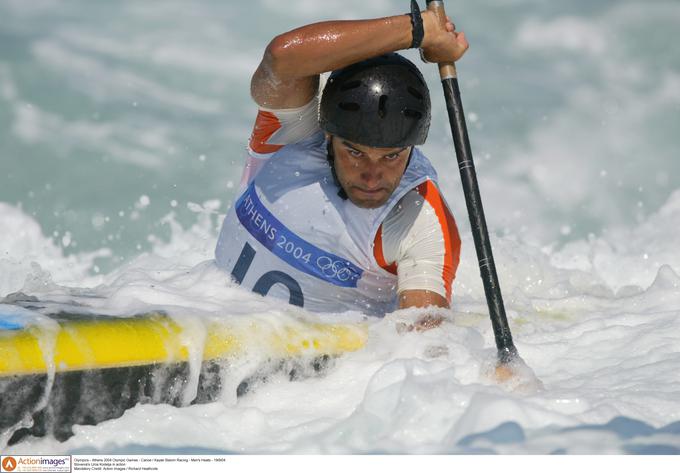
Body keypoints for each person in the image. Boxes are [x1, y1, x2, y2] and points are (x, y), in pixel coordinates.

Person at [215, 3, 469, 329]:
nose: (372, 174)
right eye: (355, 152)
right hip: (196, 305)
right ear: (329, 137)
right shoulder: (291, 136)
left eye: (391, 156)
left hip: (310, 376)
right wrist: (421, 31)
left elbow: (423, 351)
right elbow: (282, 55)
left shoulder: (418, 218)